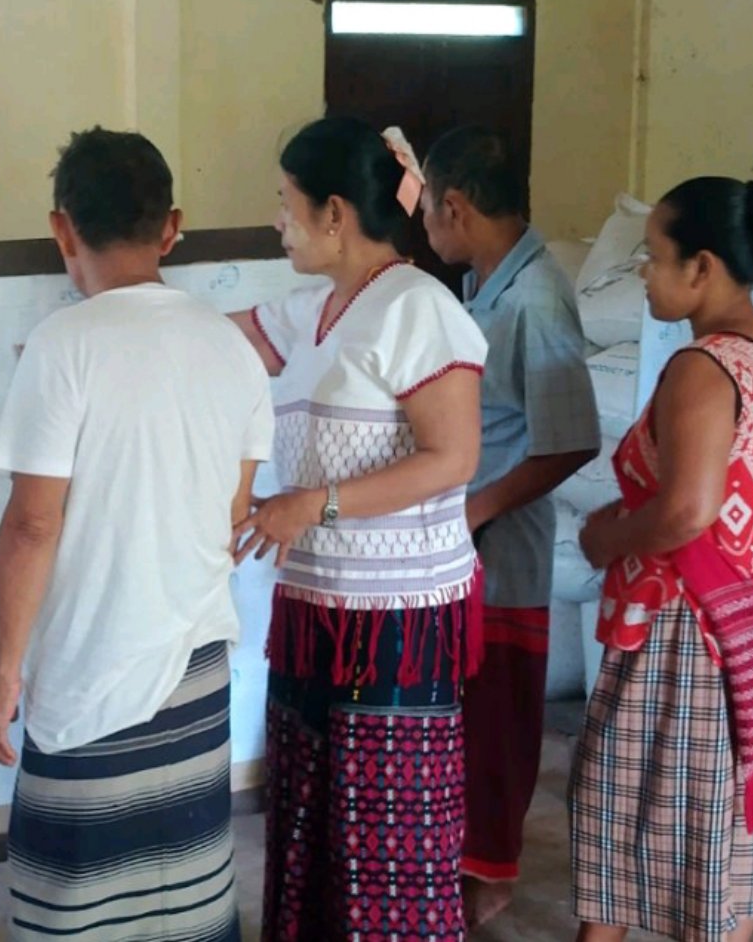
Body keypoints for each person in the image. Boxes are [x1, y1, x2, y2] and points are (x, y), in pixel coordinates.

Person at [0, 127, 274, 941]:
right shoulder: (232, 347)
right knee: (185, 888)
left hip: (93, 662)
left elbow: (32, 523)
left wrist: (4, 672)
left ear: (62, 229)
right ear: (171, 227)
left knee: (77, 900)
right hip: (194, 669)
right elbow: (232, 515)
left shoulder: (62, 343)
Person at [230, 115, 488, 942]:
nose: (279, 220)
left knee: (385, 837)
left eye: (287, 202)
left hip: (396, 621)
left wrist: (313, 504)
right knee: (308, 816)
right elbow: (212, 346)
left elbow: (453, 458)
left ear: (334, 213)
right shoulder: (311, 310)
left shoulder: (419, 308)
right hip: (316, 610)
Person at [572, 173, 753, 942]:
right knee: (724, 834)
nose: (644, 273)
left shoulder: (703, 369)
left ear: (701, 267)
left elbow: (686, 511)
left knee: (618, 820)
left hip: (685, 636)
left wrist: (606, 539)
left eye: (653, 255)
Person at [419, 126, 601, 928]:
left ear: (456, 207)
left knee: (497, 723)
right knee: (465, 717)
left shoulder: (535, 299)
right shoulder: (489, 283)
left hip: (502, 546)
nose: (425, 224)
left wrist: (476, 509)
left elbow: (570, 441)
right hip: (470, 540)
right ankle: (463, 869)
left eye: (428, 209)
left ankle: (488, 882)